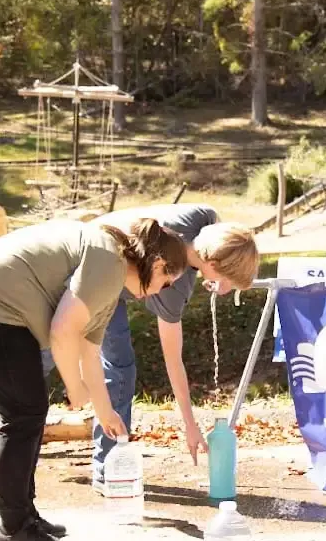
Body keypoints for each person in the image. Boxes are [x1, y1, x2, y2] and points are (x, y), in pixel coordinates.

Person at [0, 218, 187, 541]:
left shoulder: (111, 274)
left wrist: (104, 410)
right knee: (23, 415)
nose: (162, 291)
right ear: (158, 264)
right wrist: (75, 389)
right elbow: (62, 332)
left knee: (28, 413)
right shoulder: (108, 261)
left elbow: (89, 347)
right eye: (166, 281)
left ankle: (25, 518)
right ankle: (14, 531)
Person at [82, 204, 259, 491]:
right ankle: (108, 468)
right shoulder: (173, 288)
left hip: (100, 245)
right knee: (119, 367)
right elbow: (173, 360)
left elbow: (222, 242)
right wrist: (190, 425)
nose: (225, 287)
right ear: (211, 266)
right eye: (225, 279)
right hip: (97, 270)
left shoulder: (202, 219)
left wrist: (220, 279)